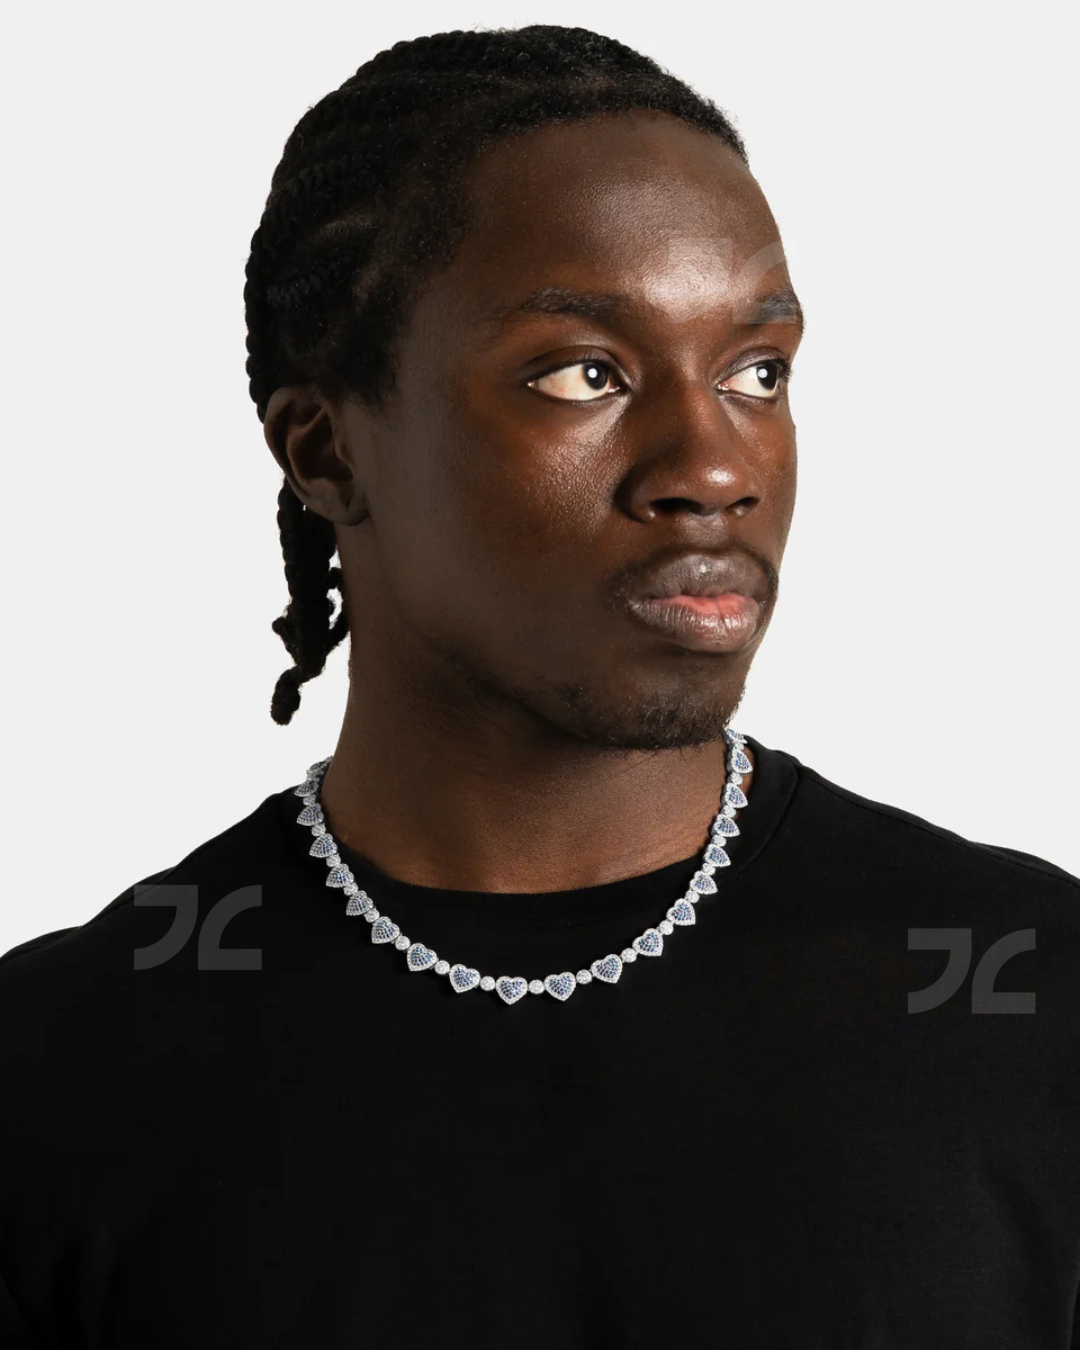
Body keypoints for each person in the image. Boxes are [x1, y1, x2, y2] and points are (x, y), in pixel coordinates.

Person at [1, 23, 1077, 1349]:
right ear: (328, 451)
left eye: (757, 372)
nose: (713, 466)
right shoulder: (64, 1070)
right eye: (586, 372)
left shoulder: (1033, 998)